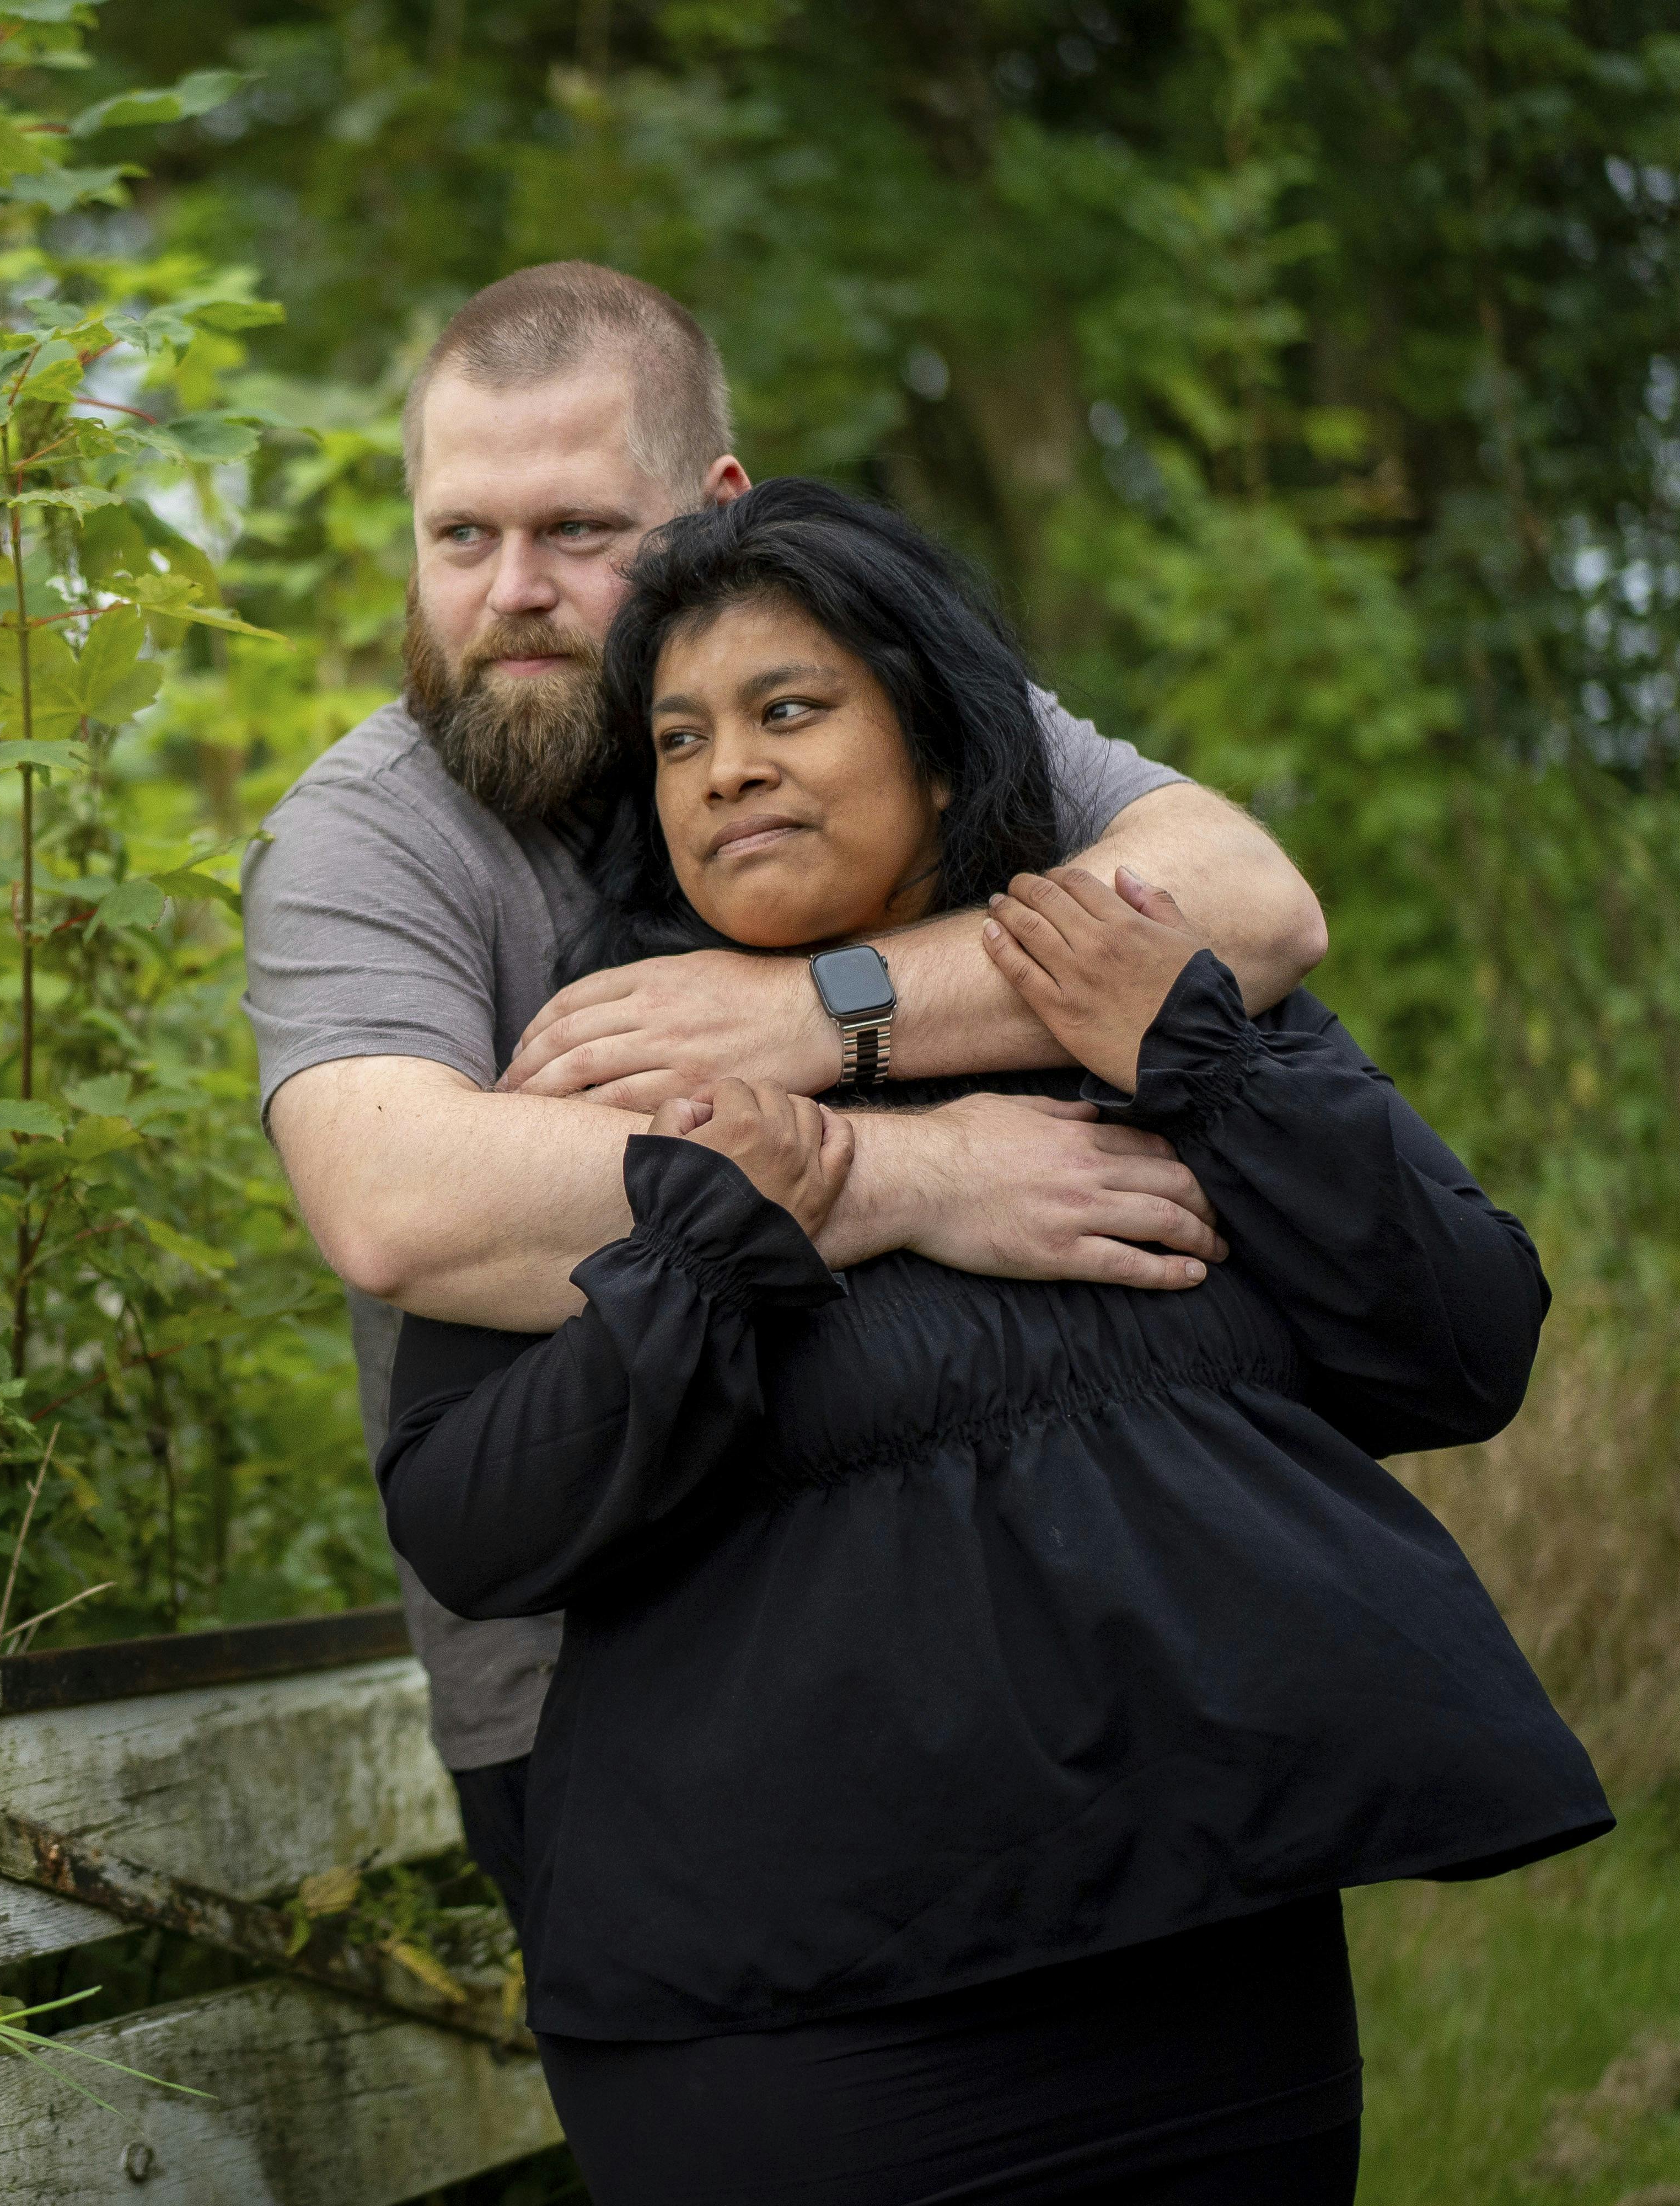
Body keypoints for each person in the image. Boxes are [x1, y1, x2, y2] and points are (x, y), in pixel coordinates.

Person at [376, 478, 1610, 2203]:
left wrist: (1195, 1056)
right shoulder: (611, 1069)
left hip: (1204, 1976)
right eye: (679, 739)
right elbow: (470, 1518)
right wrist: (730, 1251)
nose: (726, 767)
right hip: (793, 2026)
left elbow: (1462, 1348)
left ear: (942, 750)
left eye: (788, 710)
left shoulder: (1123, 984)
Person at [242, 261, 1333, 1900]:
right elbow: (396, 1203)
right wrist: (923, 1174)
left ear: (710, 512)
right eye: (461, 537)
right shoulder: (375, 834)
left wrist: (821, 1016)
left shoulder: (873, 698)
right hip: (603, 1694)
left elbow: (1250, 907)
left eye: (579, 535)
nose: (513, 592)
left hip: (1016, 1607)